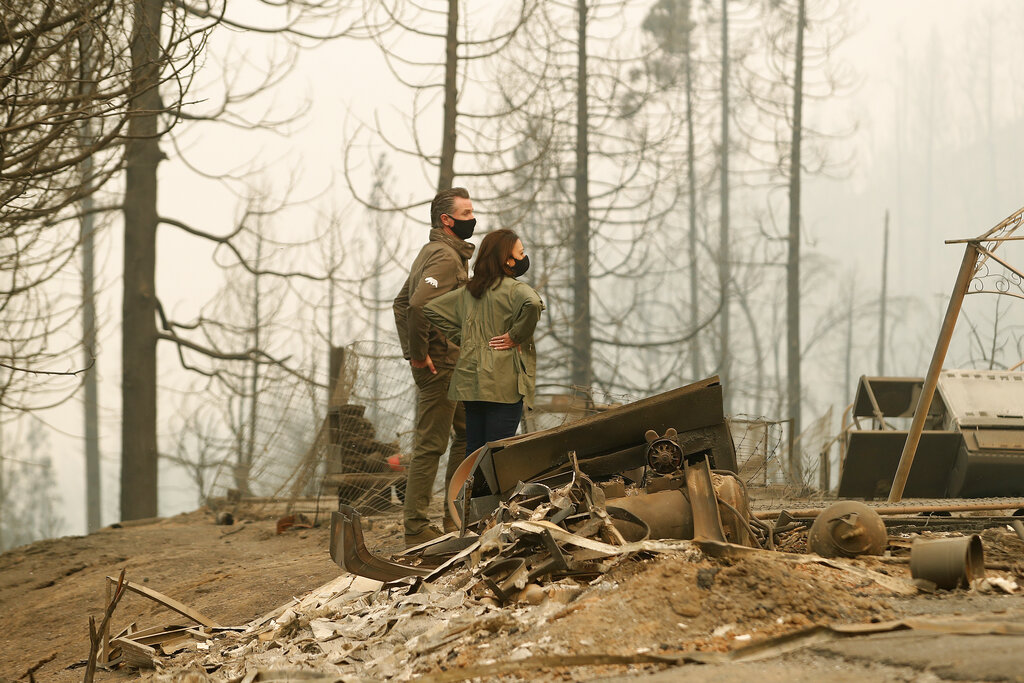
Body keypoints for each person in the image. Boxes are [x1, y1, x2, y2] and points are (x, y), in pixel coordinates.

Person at [393, 187, 476, 547]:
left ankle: (453, 517)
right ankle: (416, 529)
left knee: (466, 436)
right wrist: (418, 354)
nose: (473, 219)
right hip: (440, 368)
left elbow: (400, 303)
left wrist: (415, 351)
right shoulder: (443, 257)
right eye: (467, 213)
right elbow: (415, 306)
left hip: (453, 364)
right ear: (447, 220)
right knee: (431, 445)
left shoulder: (441, 253)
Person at [423, 229, 544, 460]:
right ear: (507, 260)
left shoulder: (470, 290)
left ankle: (468, 495)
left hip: (471, 381)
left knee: (474, 451)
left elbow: (431, 309)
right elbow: (533, 304)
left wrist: (465, 337)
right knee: (498, 452)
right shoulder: (516, 290)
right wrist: (515, 336)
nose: (524, 257)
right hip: (503, 383)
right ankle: (492, 497)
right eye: (521, 253)